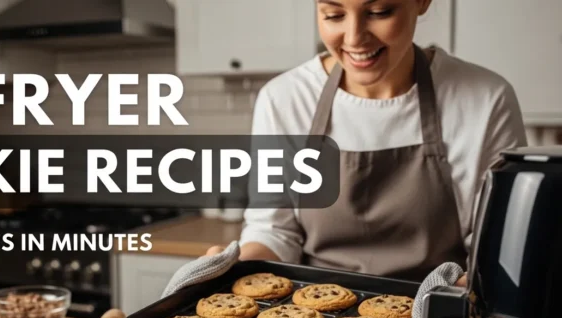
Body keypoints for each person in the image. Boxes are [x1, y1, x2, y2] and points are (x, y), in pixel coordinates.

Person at [206, 0, 527, 284]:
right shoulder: (284, 99)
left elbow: (497, 251)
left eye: (379, 11)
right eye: (333, 14)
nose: (354, 37)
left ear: (422, 2)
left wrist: (475, 287)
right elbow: (274, 232)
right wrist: (238, 271)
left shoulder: (486, 100)